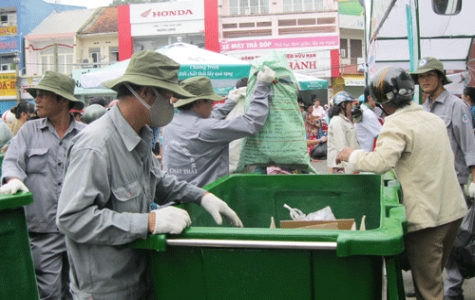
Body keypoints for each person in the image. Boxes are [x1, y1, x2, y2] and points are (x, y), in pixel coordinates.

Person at [56, 50, 243, 300]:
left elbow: (159, 181)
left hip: (141, 278)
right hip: (106, 289)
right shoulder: (96, 146)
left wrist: (202, 196)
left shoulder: (140, 134)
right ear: (145, 93)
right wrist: (148, 223)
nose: (171, 106)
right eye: (167, 97)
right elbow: (72, 219)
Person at [336, 66, 467, 300]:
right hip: (452, 213)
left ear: (381, 99)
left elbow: (380, 162)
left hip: (428, 219)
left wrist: (351, 155)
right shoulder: (432, 118)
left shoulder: (397, 124)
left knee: (429, 290)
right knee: (433, 277)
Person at [0, 71, 86, 300]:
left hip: (78, 230)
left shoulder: (85, 135)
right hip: (42, 232)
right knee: (48, 292)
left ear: (63, 100)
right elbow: (11, 162)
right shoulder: (29, 132)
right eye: (37, 95)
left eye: (44, 95)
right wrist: (14, 179)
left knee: (78, 290)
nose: (37, 99)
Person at [410, 57, 475, 300]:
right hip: (429, 184)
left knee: (454, 239)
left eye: (429, 75)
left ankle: (452, 290)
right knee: (434, 242)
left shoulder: (457, 107)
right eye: (420, 77)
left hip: (454, 184)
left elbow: (470, 147)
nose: (424, 80)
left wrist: (474, 181)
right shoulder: (423, 107)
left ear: (439, 77)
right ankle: (434, 285)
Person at [161, 70, 274, 187]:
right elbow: (251, 122)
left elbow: (204, 122)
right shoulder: (208, 129)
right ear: (199, 102)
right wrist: (261, 87)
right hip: (203, 198)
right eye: (211, 102)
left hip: (174, 195)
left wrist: (229, 103)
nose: (212, 106)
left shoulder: (170, 125)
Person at [326, 91, 360, 173]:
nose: (351, 107)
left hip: (347, 164)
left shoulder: (343, 120)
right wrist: (348, 168)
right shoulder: (337, 121)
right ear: (343, 104)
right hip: (341, 167)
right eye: (350, 104)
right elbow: (342, 147)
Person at [354, 87, 382, 152]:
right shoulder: (368, 114)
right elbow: (382, 136)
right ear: (369, 98)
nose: (379, 99)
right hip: (365, 153)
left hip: (361, 152)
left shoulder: (365, 109)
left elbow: (384, 113)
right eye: (377, 97)